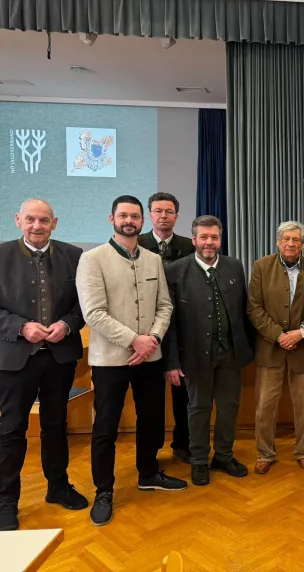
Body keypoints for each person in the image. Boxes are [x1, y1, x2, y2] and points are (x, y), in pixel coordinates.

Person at [76, 195, 187, 527]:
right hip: (110, 359)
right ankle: (104, 491)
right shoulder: (92, 259)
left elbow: (165, 306)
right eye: (123, 215)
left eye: (135, 216)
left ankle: (149, 472)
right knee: (106, 427)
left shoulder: (153, 259)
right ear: (111, 219)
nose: (129, 220)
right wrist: (133, 339)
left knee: (151, 419)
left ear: (142, 221)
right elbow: (93, 313)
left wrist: (151, 339)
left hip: (150, 358)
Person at [0, 198, 89, 531]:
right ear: (18, 220)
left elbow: (85, 304)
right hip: (14, 359)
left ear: (55, 223)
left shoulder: (74, 256)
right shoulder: (1, 254)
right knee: (11, 431)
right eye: (31, 220)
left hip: (59, 358)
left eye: (44, 220)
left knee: (55, 426)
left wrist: (66, 325)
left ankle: (58, 486)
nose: (37, 226)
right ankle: (6, 500)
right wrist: (21, 327)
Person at [164, 216, 254, 486]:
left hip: (230, 354)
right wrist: (171, 362)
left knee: (229, 407)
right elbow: (169, 322)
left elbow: (243, 309)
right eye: (203, 237)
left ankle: (224, 456)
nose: (209, 242)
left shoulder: (234, 267)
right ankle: (200, 460)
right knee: (198, 408)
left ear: (220, 239)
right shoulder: (176, 271)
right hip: (194, 356)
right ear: (193, 240)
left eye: (214, 237)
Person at [248, 221, 304, 474]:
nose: (291, 244)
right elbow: (254, 308)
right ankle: (265, 452)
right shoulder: (261, 266)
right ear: (278, 242)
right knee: (265, 405)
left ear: (303, 244)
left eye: (296, 240)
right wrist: (279, 335)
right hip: (271, 349)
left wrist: (300, 333)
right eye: (286, 239)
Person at [137, 192, 195, 464]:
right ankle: (151, 449)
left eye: (169, 211)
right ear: (150, 214)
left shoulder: (189, 246)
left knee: (181, 390)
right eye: (158, 211)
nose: (163, 216)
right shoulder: (136, 243)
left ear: (176, 216)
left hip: (181, 329)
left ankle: (182, 444)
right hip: (143, 330)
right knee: (149, 396)